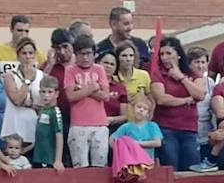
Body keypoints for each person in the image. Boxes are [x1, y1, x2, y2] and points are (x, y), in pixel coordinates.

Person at [149, 35, 205, 169]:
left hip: (189, 129)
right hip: (167, 128)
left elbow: (199, 95)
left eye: (168, 53)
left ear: (178, 55)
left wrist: (181, 78)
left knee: (192, 167)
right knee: (170, 166)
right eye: (162, 54)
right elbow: (161, 99)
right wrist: (185, 100)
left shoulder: (192, 74)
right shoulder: (158, 74)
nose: (164, 57)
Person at [64, 35, 109, 167]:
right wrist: (93, 88)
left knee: (100, 165)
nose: (85, 58)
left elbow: (105, 96)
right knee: (80, 166)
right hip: (78, 124)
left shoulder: (99, 69)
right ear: (75, 55)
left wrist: (82, 89)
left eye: (88, 53)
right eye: (81, 54)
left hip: (99, 123)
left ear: (94, 54)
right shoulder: (70, 70)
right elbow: (71, 96)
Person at [3, 38, 43, 145]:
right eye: (24, 53)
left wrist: (33, 105)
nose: (28, 56)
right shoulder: (9, 76)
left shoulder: (42, 76)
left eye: (31, 53)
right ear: (18, 56)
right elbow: (17, 100)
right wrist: (27, 80)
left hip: (35, 127)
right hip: (15, 131)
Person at [110, 89, 160, 163]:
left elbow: (158, 143)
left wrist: (137, 143)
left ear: (148, 113)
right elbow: (112, 139)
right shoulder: (126, 127)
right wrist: (119, 151)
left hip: (147, 162)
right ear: (133, 109)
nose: (141, 110)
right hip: (130, 162)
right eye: (139, 107)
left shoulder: (152, 126)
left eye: (145, 109)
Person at [32, 75, 64, 169]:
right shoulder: (42, 110)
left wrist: (58, 160)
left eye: (50, 92)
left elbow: (59, 135)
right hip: (38, 156)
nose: (46, 95)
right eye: (43, 92)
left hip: (49, 158)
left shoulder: (55, 111)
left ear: (56, 94)